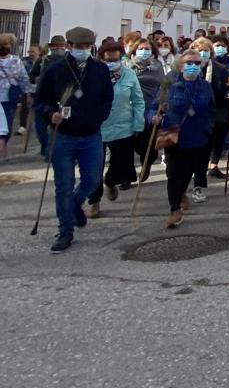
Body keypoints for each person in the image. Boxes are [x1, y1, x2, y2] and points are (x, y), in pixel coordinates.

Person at [35, 27, 113, 253]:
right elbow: (40, 101)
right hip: (63, 136)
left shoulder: (99, 69)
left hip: (91, 134)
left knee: (92, 180)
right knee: (64, 185)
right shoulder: (54, 70)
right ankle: (65, 230)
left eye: (87, 47)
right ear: (69, 46)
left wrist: (98, 118)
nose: (83, 50)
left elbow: (107, 98)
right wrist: (51, 114)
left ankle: (74, 206)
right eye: (79, 47)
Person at [85, 42, 145, 218]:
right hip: (97, 126)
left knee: (119, 164)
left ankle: (110, 182)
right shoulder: (92, 75)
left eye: (115, 59)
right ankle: (94, 201)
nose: (112, 63)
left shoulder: (129, 75)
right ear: (101, 59)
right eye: (108, 60)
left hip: (123, 126)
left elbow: (138, 100)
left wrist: (138, 123)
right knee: (94, 167)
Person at [156, 50, 215, 228]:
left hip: (199, 137)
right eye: (189, 63)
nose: (193, 66)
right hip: (175, 136)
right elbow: (155, 106)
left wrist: (208, 129)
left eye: (197, 63)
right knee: (173, 174)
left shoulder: (205, 86)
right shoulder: (170, 85)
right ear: (180, 66)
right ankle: (175, 209)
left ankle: (182, 192)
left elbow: (211, 109)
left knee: (189, 171)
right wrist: (154, 116)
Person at [189, 37, 229, 198]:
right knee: (193, 151)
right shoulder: (187, 67)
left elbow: (226, 88)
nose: (203, 54)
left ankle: (199, 184)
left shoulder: (220, 68)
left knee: (206, 148)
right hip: (192, 114)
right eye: (200, 50)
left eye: (206, 51)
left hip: (215, 112)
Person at [126, 39, 168, 183]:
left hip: (150, 109)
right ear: (134, 50)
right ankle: (127, 175)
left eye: (147, 49)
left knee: (145, 145)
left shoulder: (157, 67)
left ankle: (146, 164)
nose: (144, 51)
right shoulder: (127, 66)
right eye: (140, 48)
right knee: (128, 144)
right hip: (130, 109)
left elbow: (163, 87)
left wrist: (158, 107)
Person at [30, 36, 67, 158]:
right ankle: (46, 146)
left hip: (63, 99)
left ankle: (51, 150)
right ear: (51, 47)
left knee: (59, 127)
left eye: (61, 46)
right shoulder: (43, 60)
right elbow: (32, 76)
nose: (59, 48)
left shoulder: (70, 60)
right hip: (43, 98)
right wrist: (36, 79)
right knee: (40, 127)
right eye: (56, 46)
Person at [0, 33, 30, 161]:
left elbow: (23, 78)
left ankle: (2, 146)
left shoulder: (16, 61)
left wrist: (27, 93)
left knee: (7, 125)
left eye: (5, 45)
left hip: (9, 98)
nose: (3, 48)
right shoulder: (17, 61)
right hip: (7, 98)